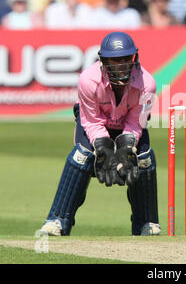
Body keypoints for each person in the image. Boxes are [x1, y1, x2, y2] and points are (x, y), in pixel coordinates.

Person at [40, 31, 161, 236]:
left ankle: (146, 223)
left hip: (127, 125)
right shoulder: (88, 80)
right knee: (82, 157)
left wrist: (126, 149)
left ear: (134, 58)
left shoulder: (147, 83)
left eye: (126, 59)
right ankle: (57, 220)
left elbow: (135, 123)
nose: (122, 64)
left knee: (143, 159)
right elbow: (91, 120)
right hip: (95, 124)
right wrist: (104, 150)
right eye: (115, 60)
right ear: (104, 60)